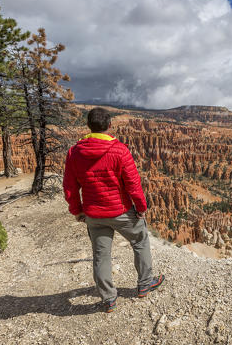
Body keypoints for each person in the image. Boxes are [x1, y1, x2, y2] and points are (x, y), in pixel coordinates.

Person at [63, 107, 164, 312]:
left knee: (101, 256)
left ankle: (109, 299)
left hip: (94, 214)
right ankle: (145, 284)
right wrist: (141, 208)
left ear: (89, 126)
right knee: (140, 242)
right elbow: (133, 184)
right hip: (122, 212)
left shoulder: (74, 152)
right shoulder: (119, 150)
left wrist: (77, 211)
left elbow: (70, 187)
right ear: (109, 126)